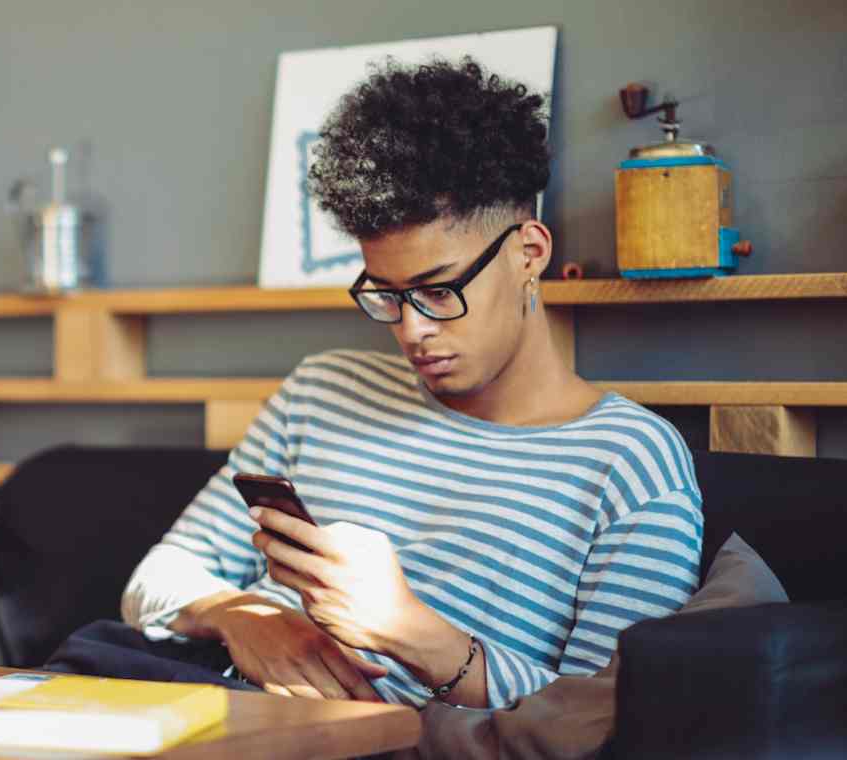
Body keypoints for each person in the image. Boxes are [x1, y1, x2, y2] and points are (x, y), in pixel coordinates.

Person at [114, 58, 703, 709]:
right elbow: (155, 582)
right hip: (186, 697)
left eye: (438, 290)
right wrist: (248, 620)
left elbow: (604, 719)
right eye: (387, 295)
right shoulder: (323, 389)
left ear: (528, 253)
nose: (411, 329)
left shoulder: (627, 462)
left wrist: (410, 632)